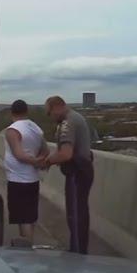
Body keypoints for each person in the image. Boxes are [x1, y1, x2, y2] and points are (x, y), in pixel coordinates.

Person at [40, 96, 94, 254]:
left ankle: (77, 254)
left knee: (76, 216)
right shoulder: (75, 118)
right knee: (79, 212)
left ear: (57, 107)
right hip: (81, 170)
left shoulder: (67, 123)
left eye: (49, 113)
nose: (50, 117)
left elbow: (65, 154)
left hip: (77, 173)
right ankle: (78, 249)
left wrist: (47, 162)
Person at [3, 99, 49, 247]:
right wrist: (40, 161)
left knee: (23, 217)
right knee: (30, 217)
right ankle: (29, 243)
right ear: (26, 111)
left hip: (18, 179)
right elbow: (46, 151)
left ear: (12, 112)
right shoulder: (36, 128)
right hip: (33, 179)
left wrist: (35, 162)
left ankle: (26, 249)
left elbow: (19, 155)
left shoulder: (12, 130)